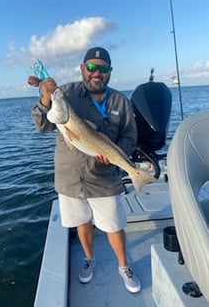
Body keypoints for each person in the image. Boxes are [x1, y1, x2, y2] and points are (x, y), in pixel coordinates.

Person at [30, 47, 141, 293]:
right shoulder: (67, 93)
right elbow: (42, 125)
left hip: (104, 177)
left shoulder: (121, 102)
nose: (96, 73)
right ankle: (89, 257)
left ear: (110, 72)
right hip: (70, 178)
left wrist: (114, 155)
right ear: (82, 69)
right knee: (82, 222)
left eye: (102, 69)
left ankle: (124, 265)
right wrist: (47, 99)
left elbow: (131, 136)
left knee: (114, 225)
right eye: (91, 67)